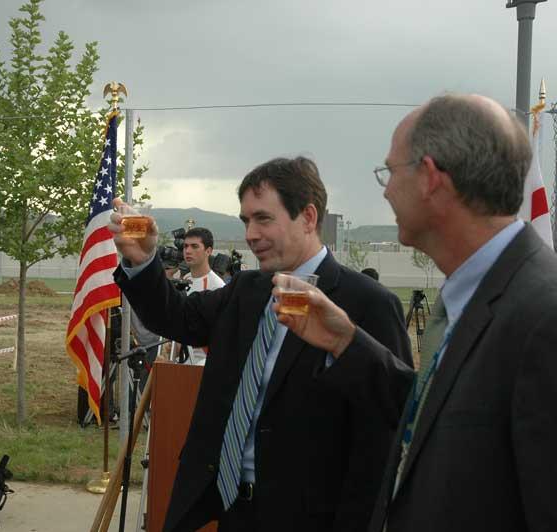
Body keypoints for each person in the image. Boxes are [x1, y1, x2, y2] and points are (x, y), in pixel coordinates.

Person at [279, 94, 557, 532]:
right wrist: (344, 341)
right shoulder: (479, 295)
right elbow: (438, 415)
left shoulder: (543, 316)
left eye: (390, 171)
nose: (386, 188)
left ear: (429, 177)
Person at [109, 156, 413, 531]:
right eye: (246, 221)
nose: (251, 234)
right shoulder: (246, 290)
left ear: (308, 217)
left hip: (308, 518)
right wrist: (142, 262)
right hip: (231, 507)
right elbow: (175, 317)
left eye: (263, 218)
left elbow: (382, 431)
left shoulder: (367, 303)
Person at [179, 227, 225, 365]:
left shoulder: (216, 286)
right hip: (180, 362)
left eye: (194, 246)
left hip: (202, 364)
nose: (188, 251)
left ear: (208, 251)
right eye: (185, 246)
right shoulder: (185, 279)